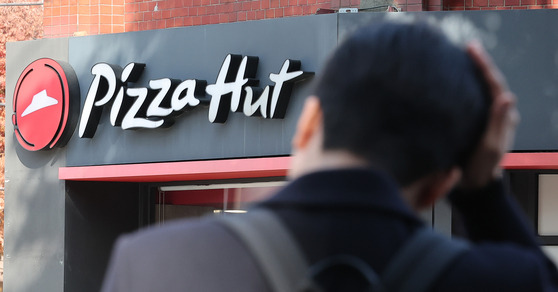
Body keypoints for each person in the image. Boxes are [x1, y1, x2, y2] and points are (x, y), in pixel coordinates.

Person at [101, 20, 558, 291]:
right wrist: (484, 190)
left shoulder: (153, 265)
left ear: (308, 123)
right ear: (443, 183)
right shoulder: (499, 279)